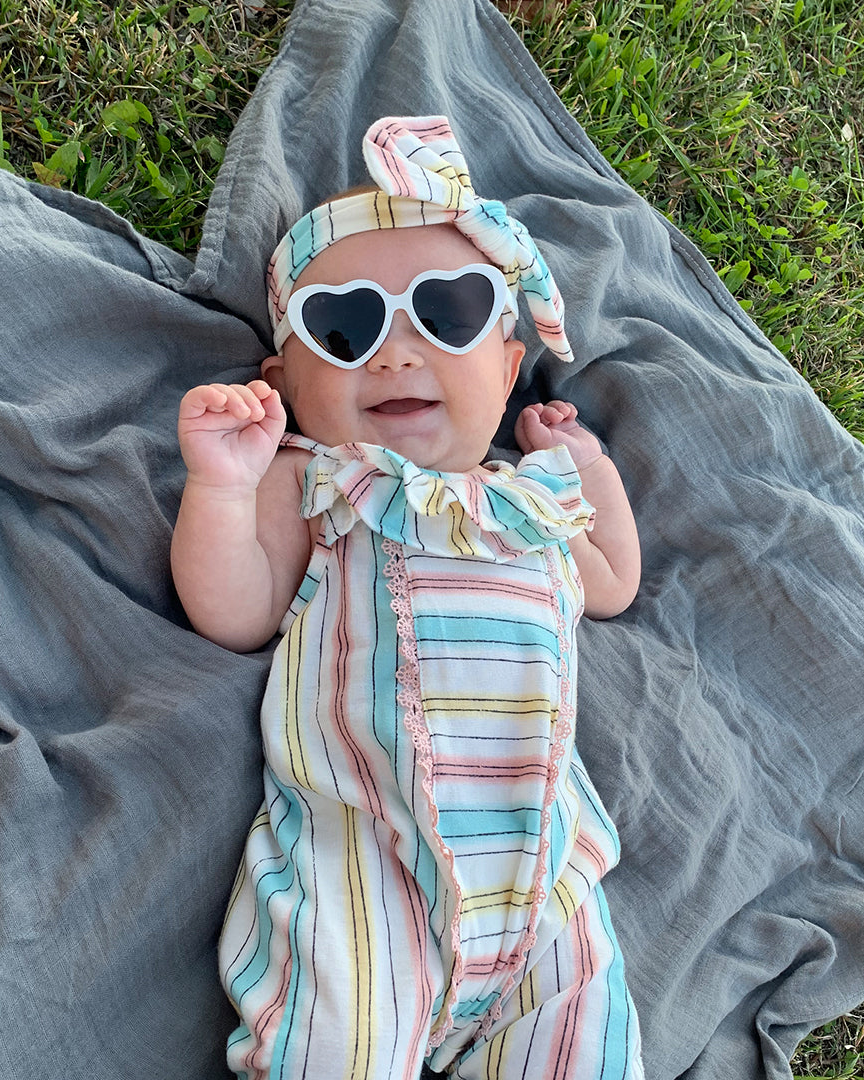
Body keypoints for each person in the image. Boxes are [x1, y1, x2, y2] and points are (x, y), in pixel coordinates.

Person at [171, 116, 644, 1080]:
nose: (395, 352)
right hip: (364, 861)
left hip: (547, 870)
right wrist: (221, 487)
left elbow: (612, 584)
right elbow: (235, 610)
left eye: (448, 311)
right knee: (331, 1042)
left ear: (507, 369)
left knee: (582, 1041)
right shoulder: (320, 481)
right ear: (285, 383)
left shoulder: (532, 500)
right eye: (344, 328)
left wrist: (588, 466)